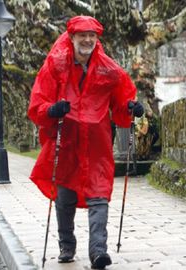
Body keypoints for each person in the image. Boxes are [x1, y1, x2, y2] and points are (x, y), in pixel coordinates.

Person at [27, 16, 144, 269]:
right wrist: (53, 109)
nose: (88, 40)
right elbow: (38, 104)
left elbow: (122, 100)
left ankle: (98, 251)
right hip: (66, 142)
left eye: (92, 35)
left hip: (97, 144)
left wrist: (131, 107)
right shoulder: (55, 65)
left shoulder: (108, 69)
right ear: (72, 37)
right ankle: (67, 245)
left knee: (99, 194)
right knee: (65, 196)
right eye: (82, 35)